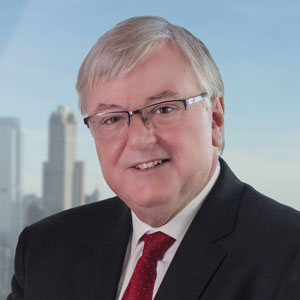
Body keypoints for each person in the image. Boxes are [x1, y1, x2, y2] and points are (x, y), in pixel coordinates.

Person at [8, 16, 300, 300]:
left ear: (215, 119)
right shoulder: (44, 249)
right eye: (111, 119)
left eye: (164, 109)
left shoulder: (289, 255)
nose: (139, 139)